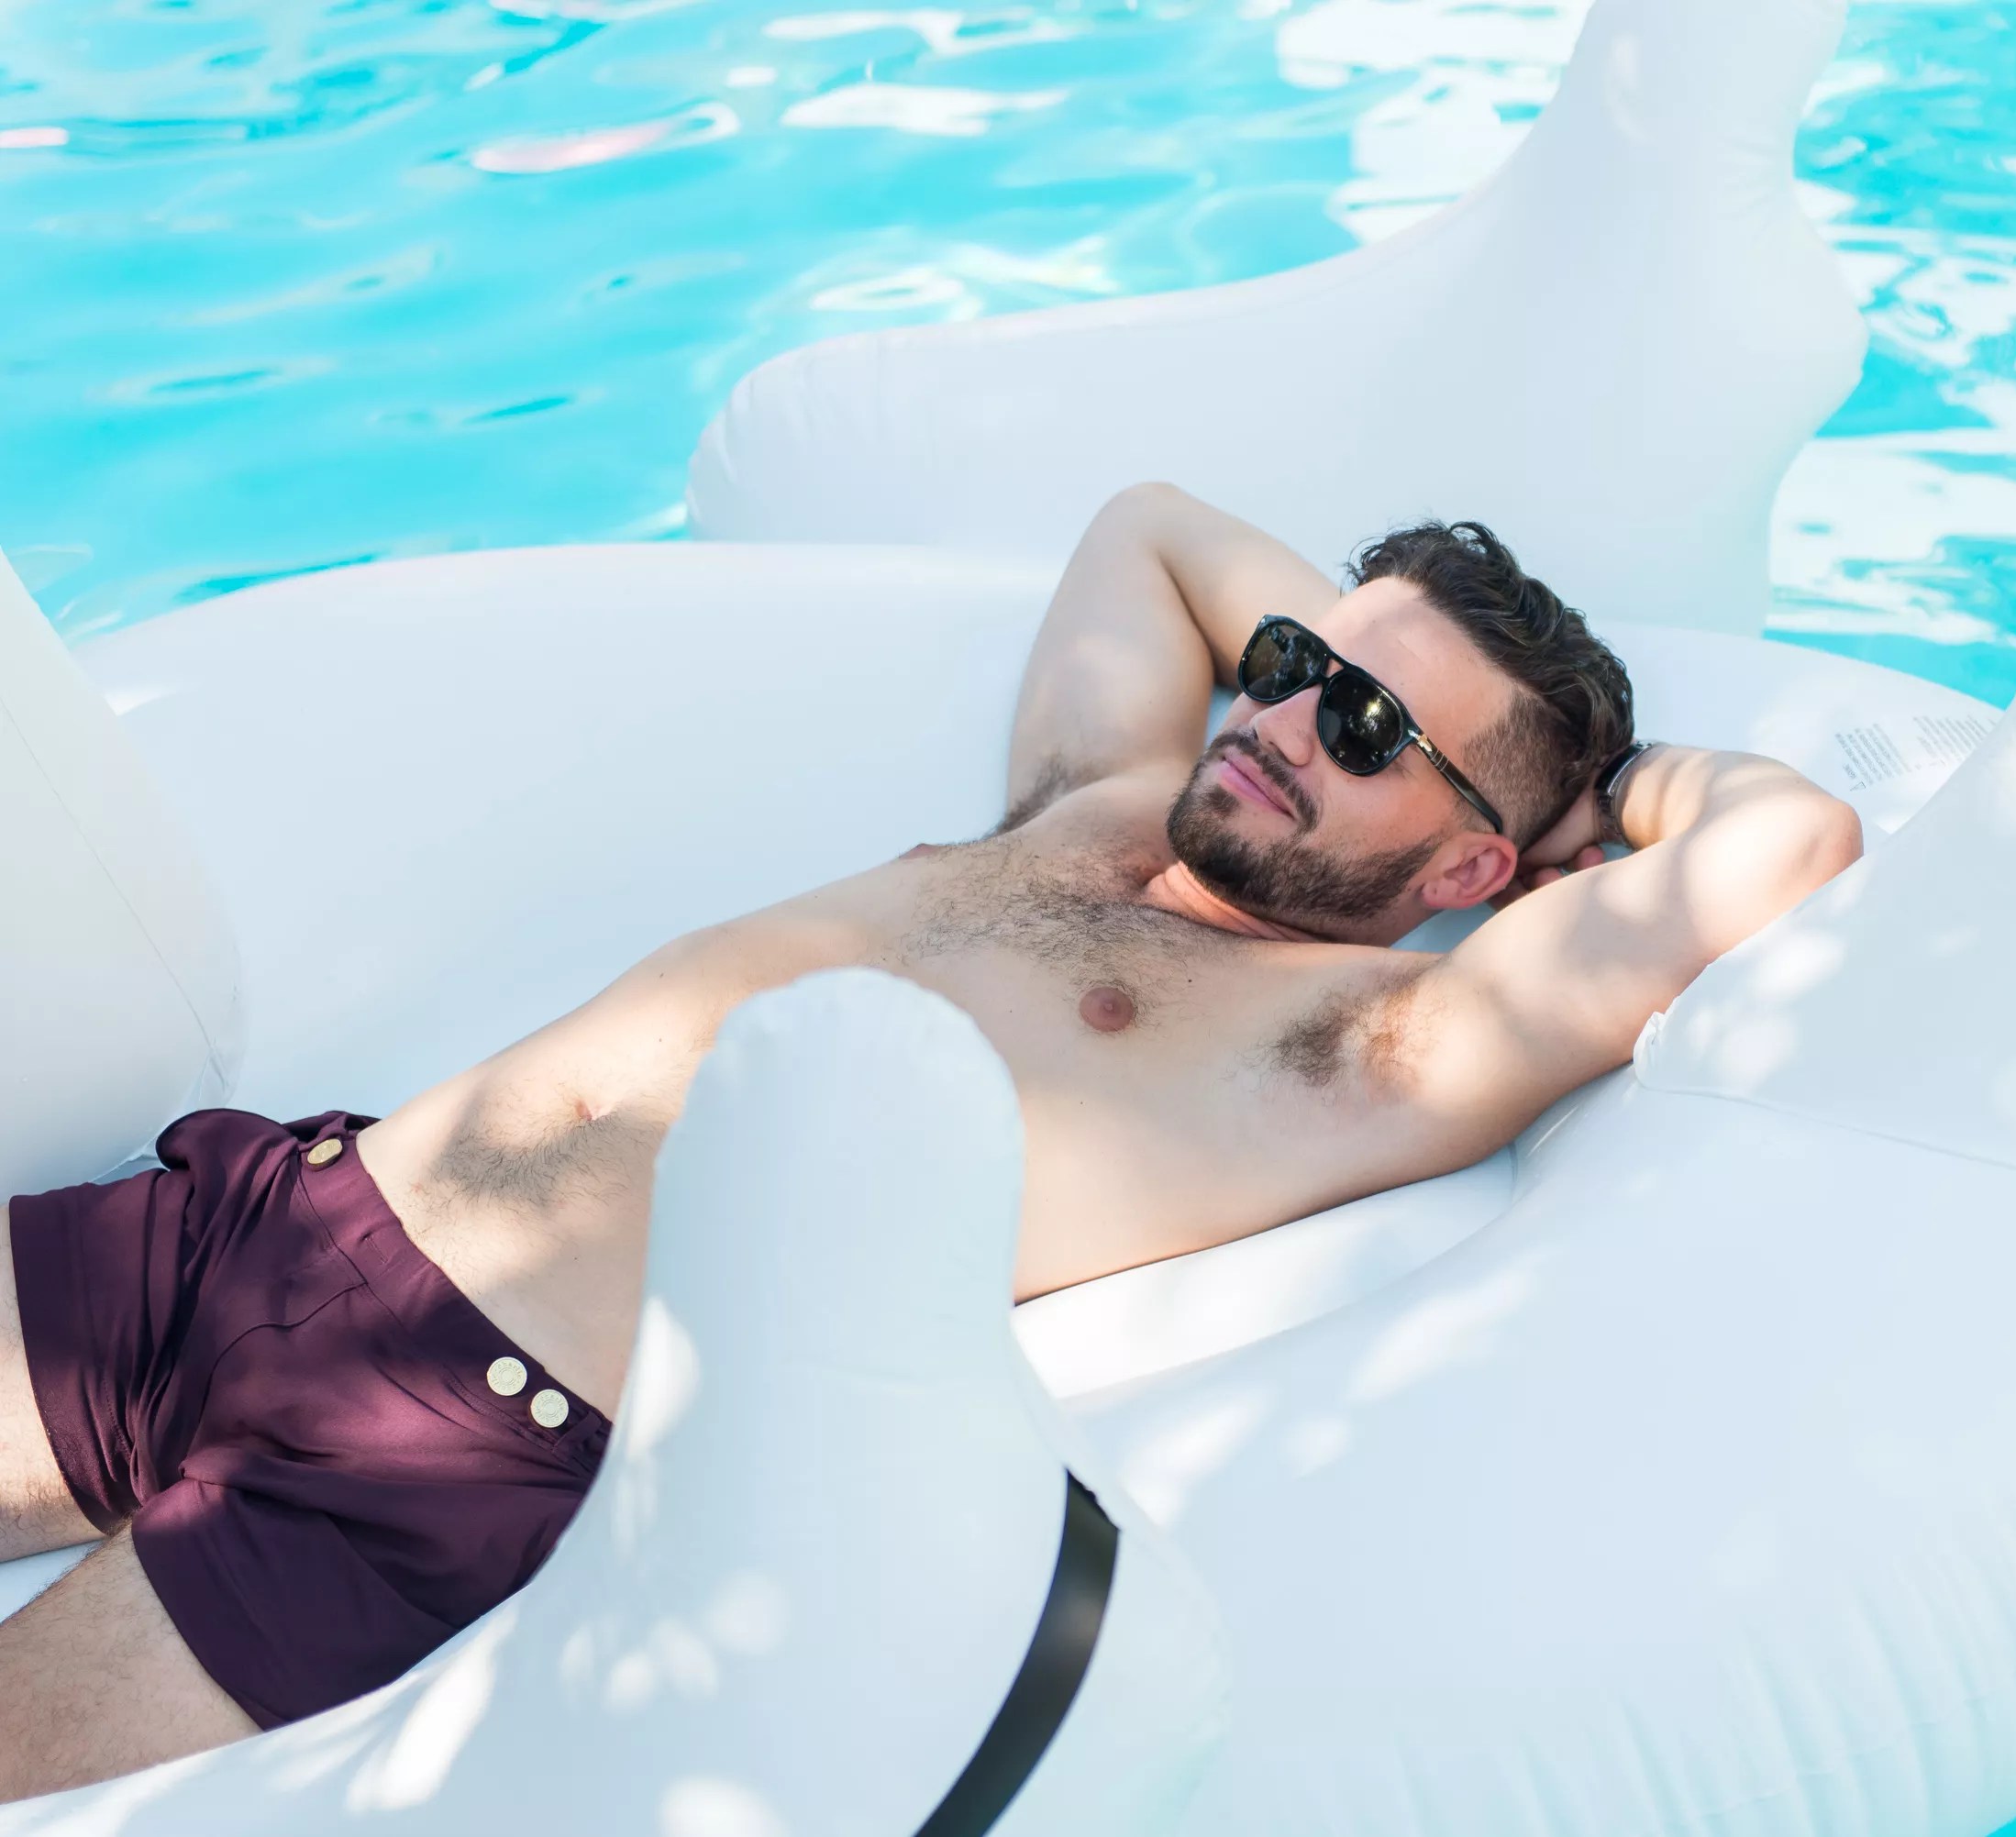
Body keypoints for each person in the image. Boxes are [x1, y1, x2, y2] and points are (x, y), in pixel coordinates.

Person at [0, 483, 1862, 1798]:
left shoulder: (1360, 1045)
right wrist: (1379, 674)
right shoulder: (1098, 809)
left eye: (1361, 725)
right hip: (279, 1217)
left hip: (434, 1459)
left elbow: (1791, 846)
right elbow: (1149, 526)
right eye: (1292, 663)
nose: (1283, 718)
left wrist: (1599, 801)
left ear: (1469, 869)